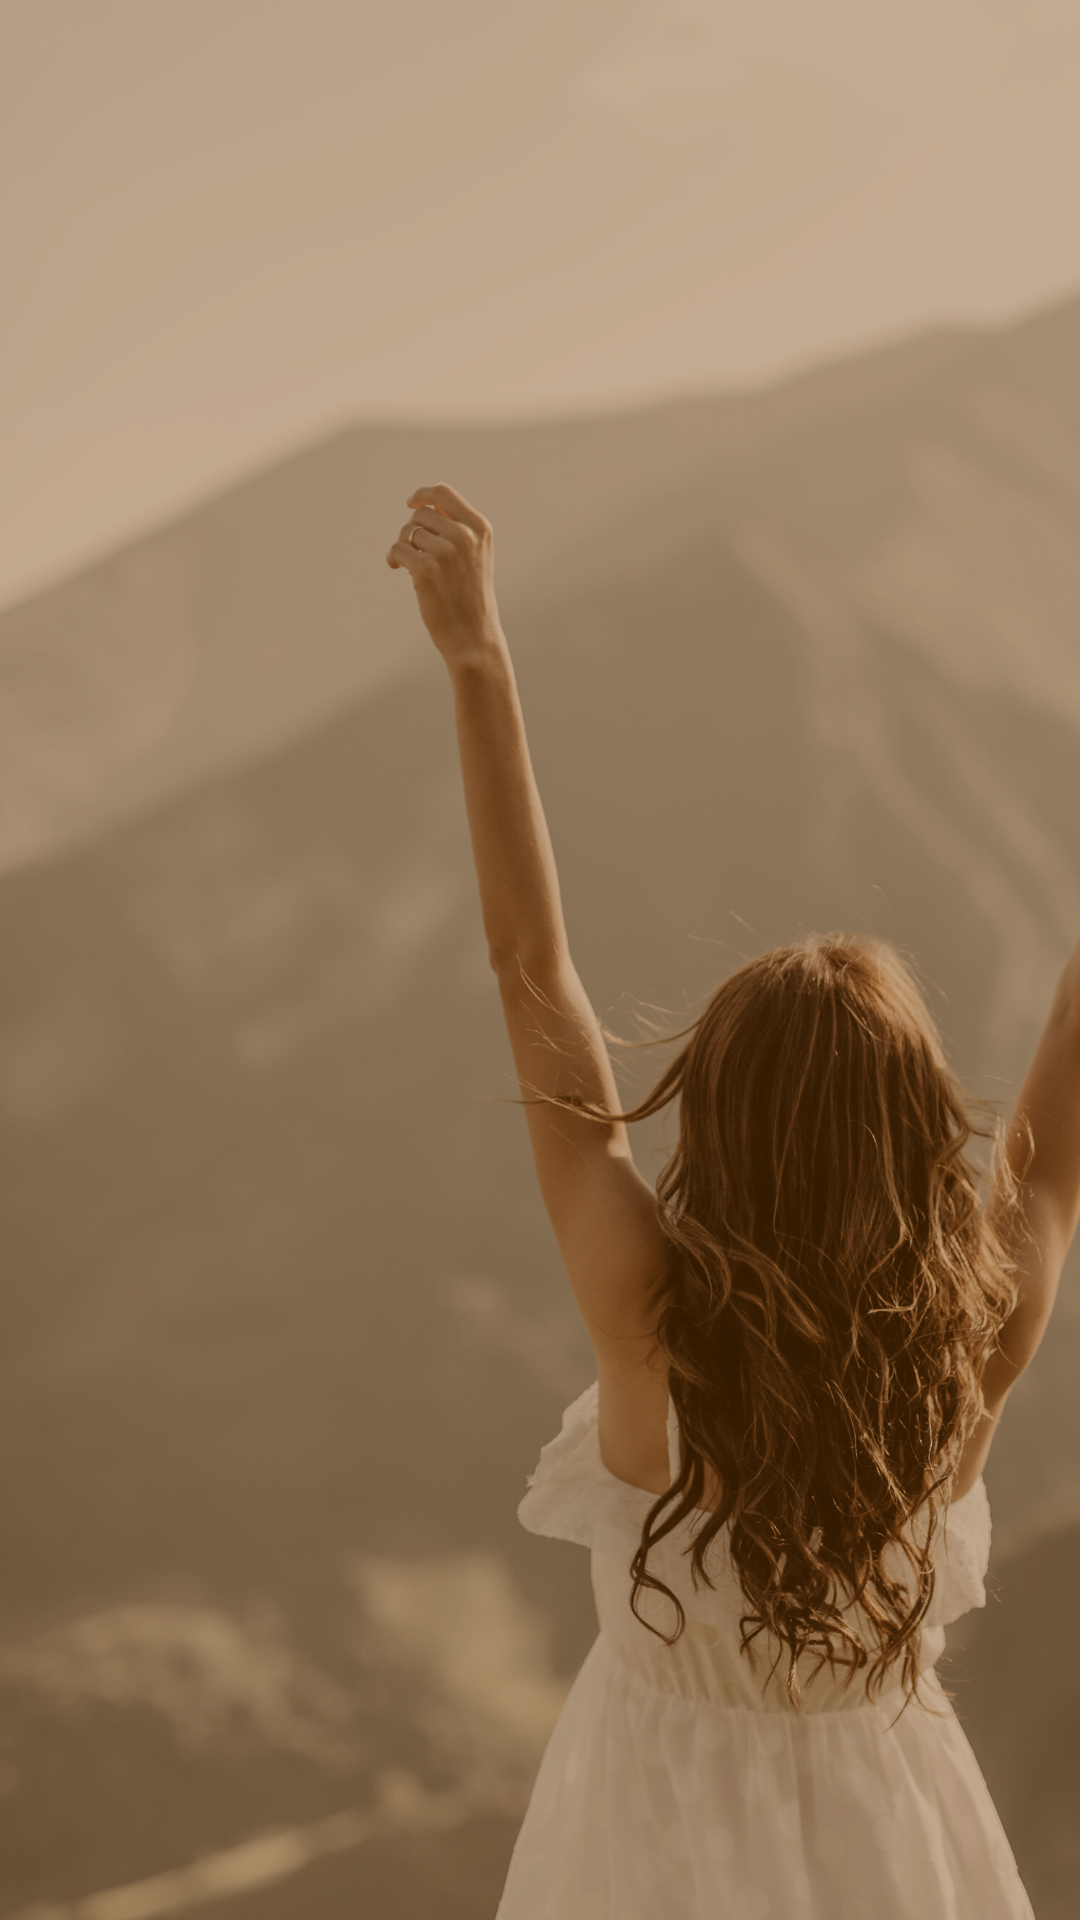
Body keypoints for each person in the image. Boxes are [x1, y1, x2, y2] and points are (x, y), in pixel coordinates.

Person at [386, 484, 1072, 1918]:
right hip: (900, 1839)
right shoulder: (978, 1324)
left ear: (723, 1114)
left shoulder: (648, 1306)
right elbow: (1051, 1162)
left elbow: (530, 971)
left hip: (649, 1850)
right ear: (914, 1128)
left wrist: (479, 659)